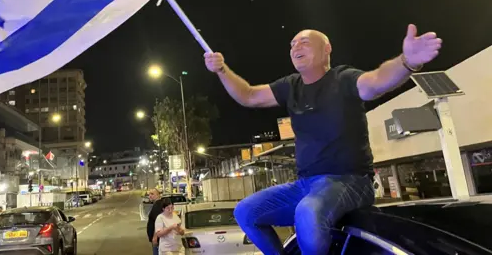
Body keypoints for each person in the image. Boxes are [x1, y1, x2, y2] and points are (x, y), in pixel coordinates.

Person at [204, 25, 441, 255]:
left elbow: (376, 82)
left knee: (308, 212)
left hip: (352, 182)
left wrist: (407, 61)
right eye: (292, 44)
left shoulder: (343, 78)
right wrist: (222, 70)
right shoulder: (290, 86)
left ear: (327, 48)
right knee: (246, 212)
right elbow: (248, 95)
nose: (296, 46)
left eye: (304, 42)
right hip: (306, 185)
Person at [146, 188, 164, 255]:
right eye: (149, 194)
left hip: (158, 240)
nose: (150, 196)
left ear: (158, 195)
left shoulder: (157, 205)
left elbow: (158, 222)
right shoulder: (157, 204)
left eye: (152, 194)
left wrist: (155, 237)